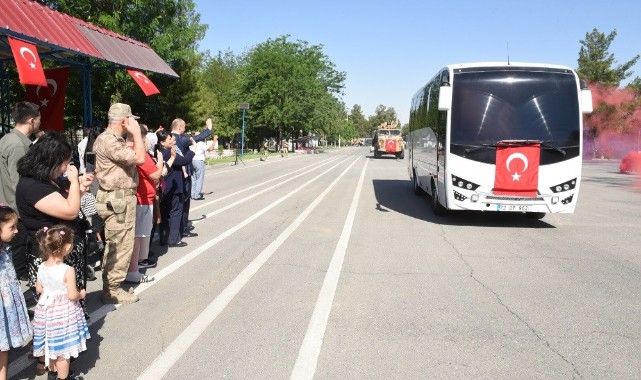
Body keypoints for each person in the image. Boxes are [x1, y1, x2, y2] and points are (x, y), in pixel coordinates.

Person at [15, 132, 94, 321]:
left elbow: (63, 204)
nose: (66, 168)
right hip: (50, 254)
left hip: (62, 251)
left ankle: (72, 334)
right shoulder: (33, 186)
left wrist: (79, 189)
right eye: (65, 163)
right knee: (59, 305)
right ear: (50, 160)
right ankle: (61, 341)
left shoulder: (43, 179)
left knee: (69, 302)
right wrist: (75, 182)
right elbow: (70, 211)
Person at [93, 103, 146, 304]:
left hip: (115, 198)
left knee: (115, 244)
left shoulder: (109, 139)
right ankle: (112, 291)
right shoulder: (110, 141)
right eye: (131, 120)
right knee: (120, 245)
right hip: (118, 199)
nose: (133, 124)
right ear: (124, 121)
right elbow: (139, 158)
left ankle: (111, 286)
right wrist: (137, 134)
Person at [32, 224, 89, 380]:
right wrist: (81, 294)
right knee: (63, 350)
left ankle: (53, 373)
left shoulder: (41, 266)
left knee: (51, 343)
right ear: (68, 247)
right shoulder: (67, 269)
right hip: (64, 312)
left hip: (46, 310)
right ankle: (63, 378)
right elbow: (72, 295)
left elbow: (38, 289)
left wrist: (51, 291)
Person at [0, 101, 41, 279]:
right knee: (18, 250)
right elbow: (18, 183)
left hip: (9, 205)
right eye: (39, 119)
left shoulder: (9, 139)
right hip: (15, 207)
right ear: (31, 120)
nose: (40, 122)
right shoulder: (17, 145)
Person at [125, 124, 168, 283]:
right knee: (138, 237)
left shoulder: (125, 149)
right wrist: (161, 160)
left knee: (137, 236)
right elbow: (155, 173)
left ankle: (133, 267)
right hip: (142, 199)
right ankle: (134, 270)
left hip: (137, 198)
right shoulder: (138, 152)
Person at [0, 205, 32, 380]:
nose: (16, 231)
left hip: (6, 305)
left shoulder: (6, 248)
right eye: (11, 227)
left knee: (3, 346)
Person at [170, 118, 211, 236]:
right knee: (183, 202)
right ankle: (182, 229)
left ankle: (168, 232)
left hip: (169, 174)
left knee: (170, 205)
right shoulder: (181, 139)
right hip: (183, 174)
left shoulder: (165, 137)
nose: (185, 129)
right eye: (184, 127)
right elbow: (197, 138)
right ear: (179, 127)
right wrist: (209, 129)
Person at [156, 130, 192, 247]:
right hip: (173, 188)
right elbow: (184, 160)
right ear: (162, 142)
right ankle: (174, 239)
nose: (172, 141)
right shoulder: (167, 153)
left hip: (164, 188)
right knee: (175, 212)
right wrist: (193, 150)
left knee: (165, 214)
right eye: (169, 139)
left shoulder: (160, 153)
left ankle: (164, 238)